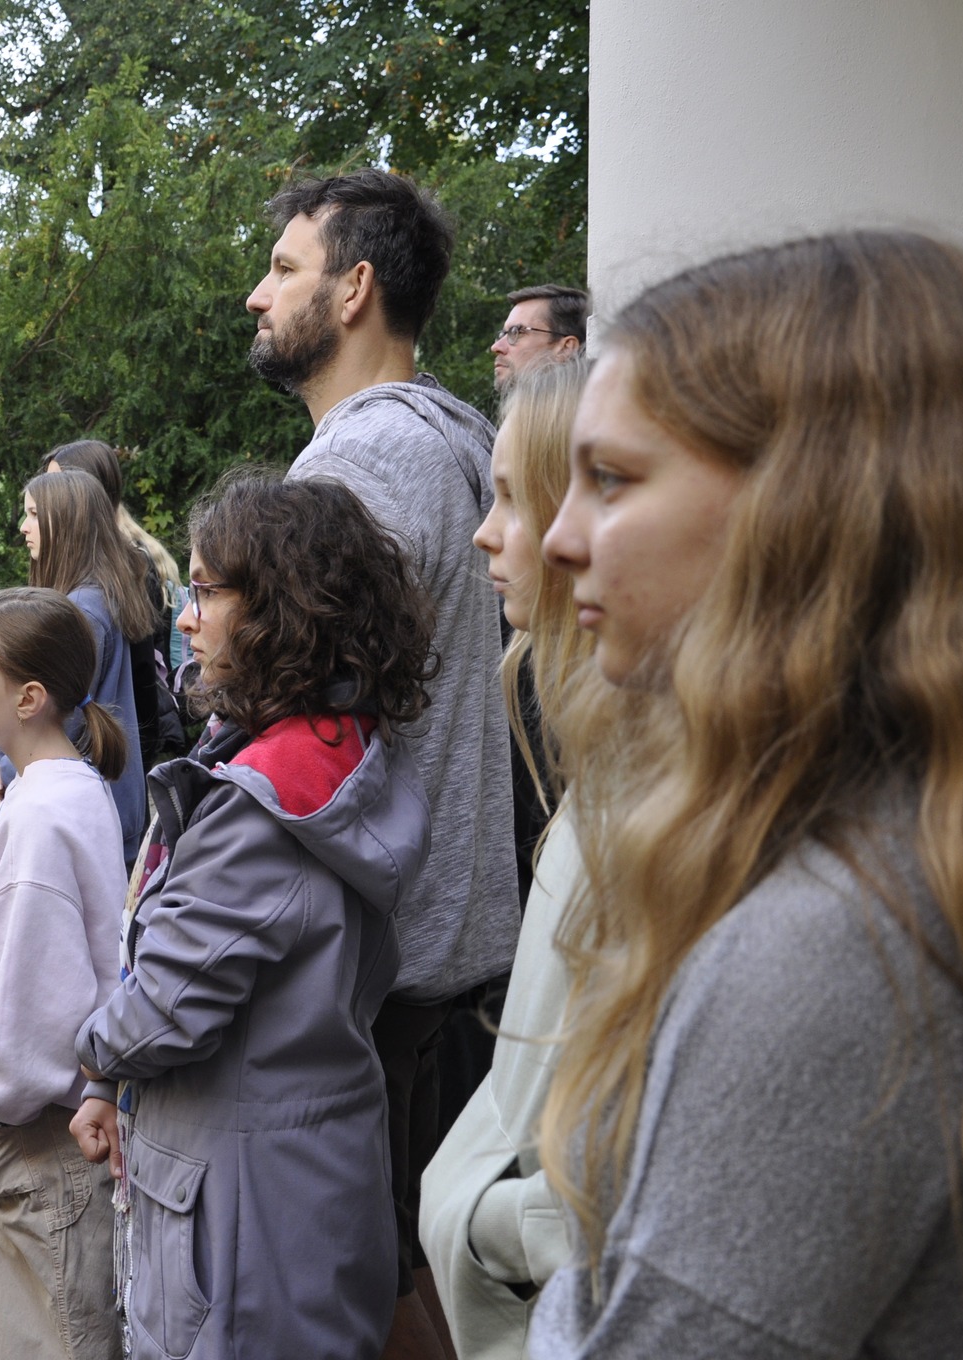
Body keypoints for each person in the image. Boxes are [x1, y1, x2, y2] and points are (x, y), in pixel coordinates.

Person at [530, 232, 963, 1358]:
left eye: (614, 479)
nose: (556, 538)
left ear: (810, 505)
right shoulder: (907, 845)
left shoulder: (835, 943)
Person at [70, 472, 435, 1360]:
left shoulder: (263, 808)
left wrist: (86, 1052)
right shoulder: (339, 750)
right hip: (296, 1187)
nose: (185, 617)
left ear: (282, 610)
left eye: (204, 591)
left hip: (242, 1228)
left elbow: (165, 1009)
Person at [246, 167, 517, 1354]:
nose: (255, 296)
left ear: (354, 289)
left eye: (284, 270)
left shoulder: (358, 465)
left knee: (367, 1277)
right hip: (453, 947)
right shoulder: (459, 431)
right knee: (416, 1256)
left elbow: (311, 723)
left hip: (386, 960)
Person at [420, 358, 592, 1360]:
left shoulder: (642, 815)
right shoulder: (569, 746)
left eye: (507, 499)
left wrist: (488, 1222)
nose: (485, 533)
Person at [0, 587, 128, 1360]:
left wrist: (0, 1105)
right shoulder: (56, 791)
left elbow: (42, 995)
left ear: (29, 697)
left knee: (61, 1341)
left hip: (43, 1142)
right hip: (44, 1140)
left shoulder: (41, 817)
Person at [0, 471, 148, 868]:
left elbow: (62, 710)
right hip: (98, 800)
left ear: (67, 521)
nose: (23, 527)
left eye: (34, 515)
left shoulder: (85, 608)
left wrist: (7, 770)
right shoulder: (95, 595)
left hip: (85, 805)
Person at [41, 440, 186, 764]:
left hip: (120, 741)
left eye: (57, 484)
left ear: (86, 491)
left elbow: (139, 673)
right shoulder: (98, 561)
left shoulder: (128, 565)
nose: (47, 495)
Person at [489, 284, 588, 394]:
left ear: (566, 348)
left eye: (516, 332)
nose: (496, 347)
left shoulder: (598, 410)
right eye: (503, 334)